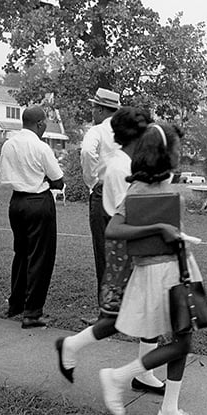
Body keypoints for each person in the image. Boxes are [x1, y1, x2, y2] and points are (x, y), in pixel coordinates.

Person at [55, 106, 165, 395]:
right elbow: (125, 215)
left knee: (148, 310)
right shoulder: (120, 168)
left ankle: (145, 372)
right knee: (119, 317)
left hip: (134, 245)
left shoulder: (127, 162)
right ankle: (72, 345)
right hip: (126, 248)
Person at [99, 122, 201, 415]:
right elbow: (114, 229)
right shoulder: (140, 187)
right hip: (159, 272)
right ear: (162, 151)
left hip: (177, 265)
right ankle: (118, 377)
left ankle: (169, 408)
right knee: (182, 342)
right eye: (177, 148)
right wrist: (158, 227)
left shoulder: (162, 182)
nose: (181, 153)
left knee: (183, 339)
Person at [0, 105, 64, 329]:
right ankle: (32, 312)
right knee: (40, 258)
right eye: (44, 123)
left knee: (21, 254)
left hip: (16, 203)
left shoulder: (9, 144)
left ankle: (15, 303)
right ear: (39, 124)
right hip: (38, 202)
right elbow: (58, 180)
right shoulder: (41, 147)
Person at [80, 88, 121, 310]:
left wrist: (92, 181)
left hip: (103, 191)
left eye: (94, 107)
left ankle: (107, 310)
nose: (92, 111)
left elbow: (87, 153)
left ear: (100, 109)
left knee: (103, 252)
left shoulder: (96, 131)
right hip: (125, 194)